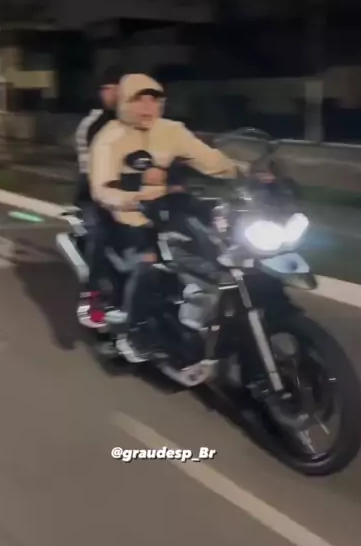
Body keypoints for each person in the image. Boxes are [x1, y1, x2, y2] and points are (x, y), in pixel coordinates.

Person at [89, 73, 239, 383]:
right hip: (129, 216)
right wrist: (131, 199)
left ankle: (200, 319)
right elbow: (102, 188)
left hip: (170, 210)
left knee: (218, 253)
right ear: (125, 102)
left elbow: (212, 161)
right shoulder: (110, 137)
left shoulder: (171, 130)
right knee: (149, 264)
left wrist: (248, 171)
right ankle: (135, 335)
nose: (148, 106)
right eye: (139, 99)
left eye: (154, 99)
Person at [74, 66, 122, 327]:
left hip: (130, 191)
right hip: (94, 194)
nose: (115, 94)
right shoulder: (93, 125)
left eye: (120, 89)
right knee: (100, 234)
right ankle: (94, 295)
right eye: (110, 89)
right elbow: (95, 169)